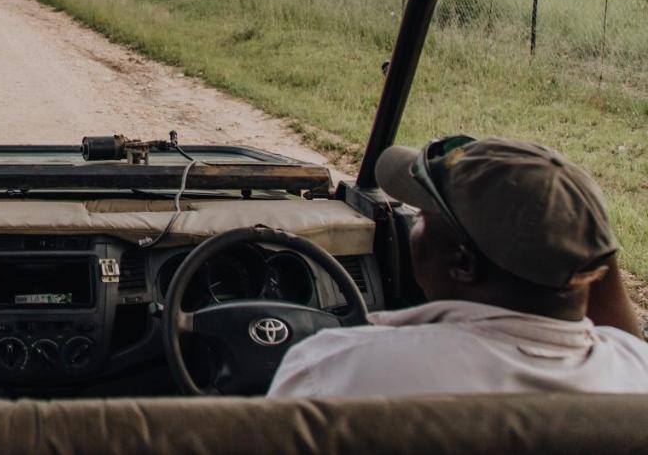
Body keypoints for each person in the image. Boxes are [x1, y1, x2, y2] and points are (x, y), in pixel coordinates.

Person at [268, 136, 648, 397]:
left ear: (462, 263)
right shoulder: (634, 375)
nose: (414, 226)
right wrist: (579, 231)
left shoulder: (335, 370)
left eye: (422, 217)